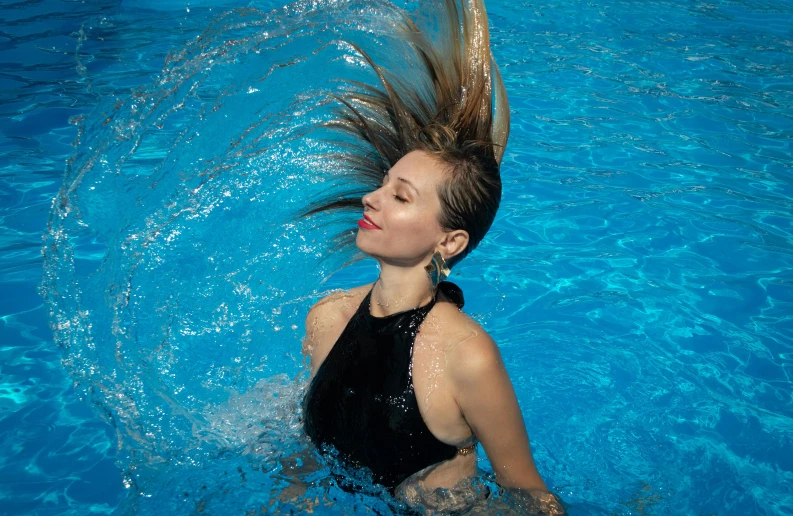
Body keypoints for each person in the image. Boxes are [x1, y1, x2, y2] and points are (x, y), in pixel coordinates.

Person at [299, 0, 564, 513]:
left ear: (450, 242)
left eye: (400, 196)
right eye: (381, 185)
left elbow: (528, 492)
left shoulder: (466, 355)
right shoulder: (326, 318)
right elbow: (306, 456)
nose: (370, 199)